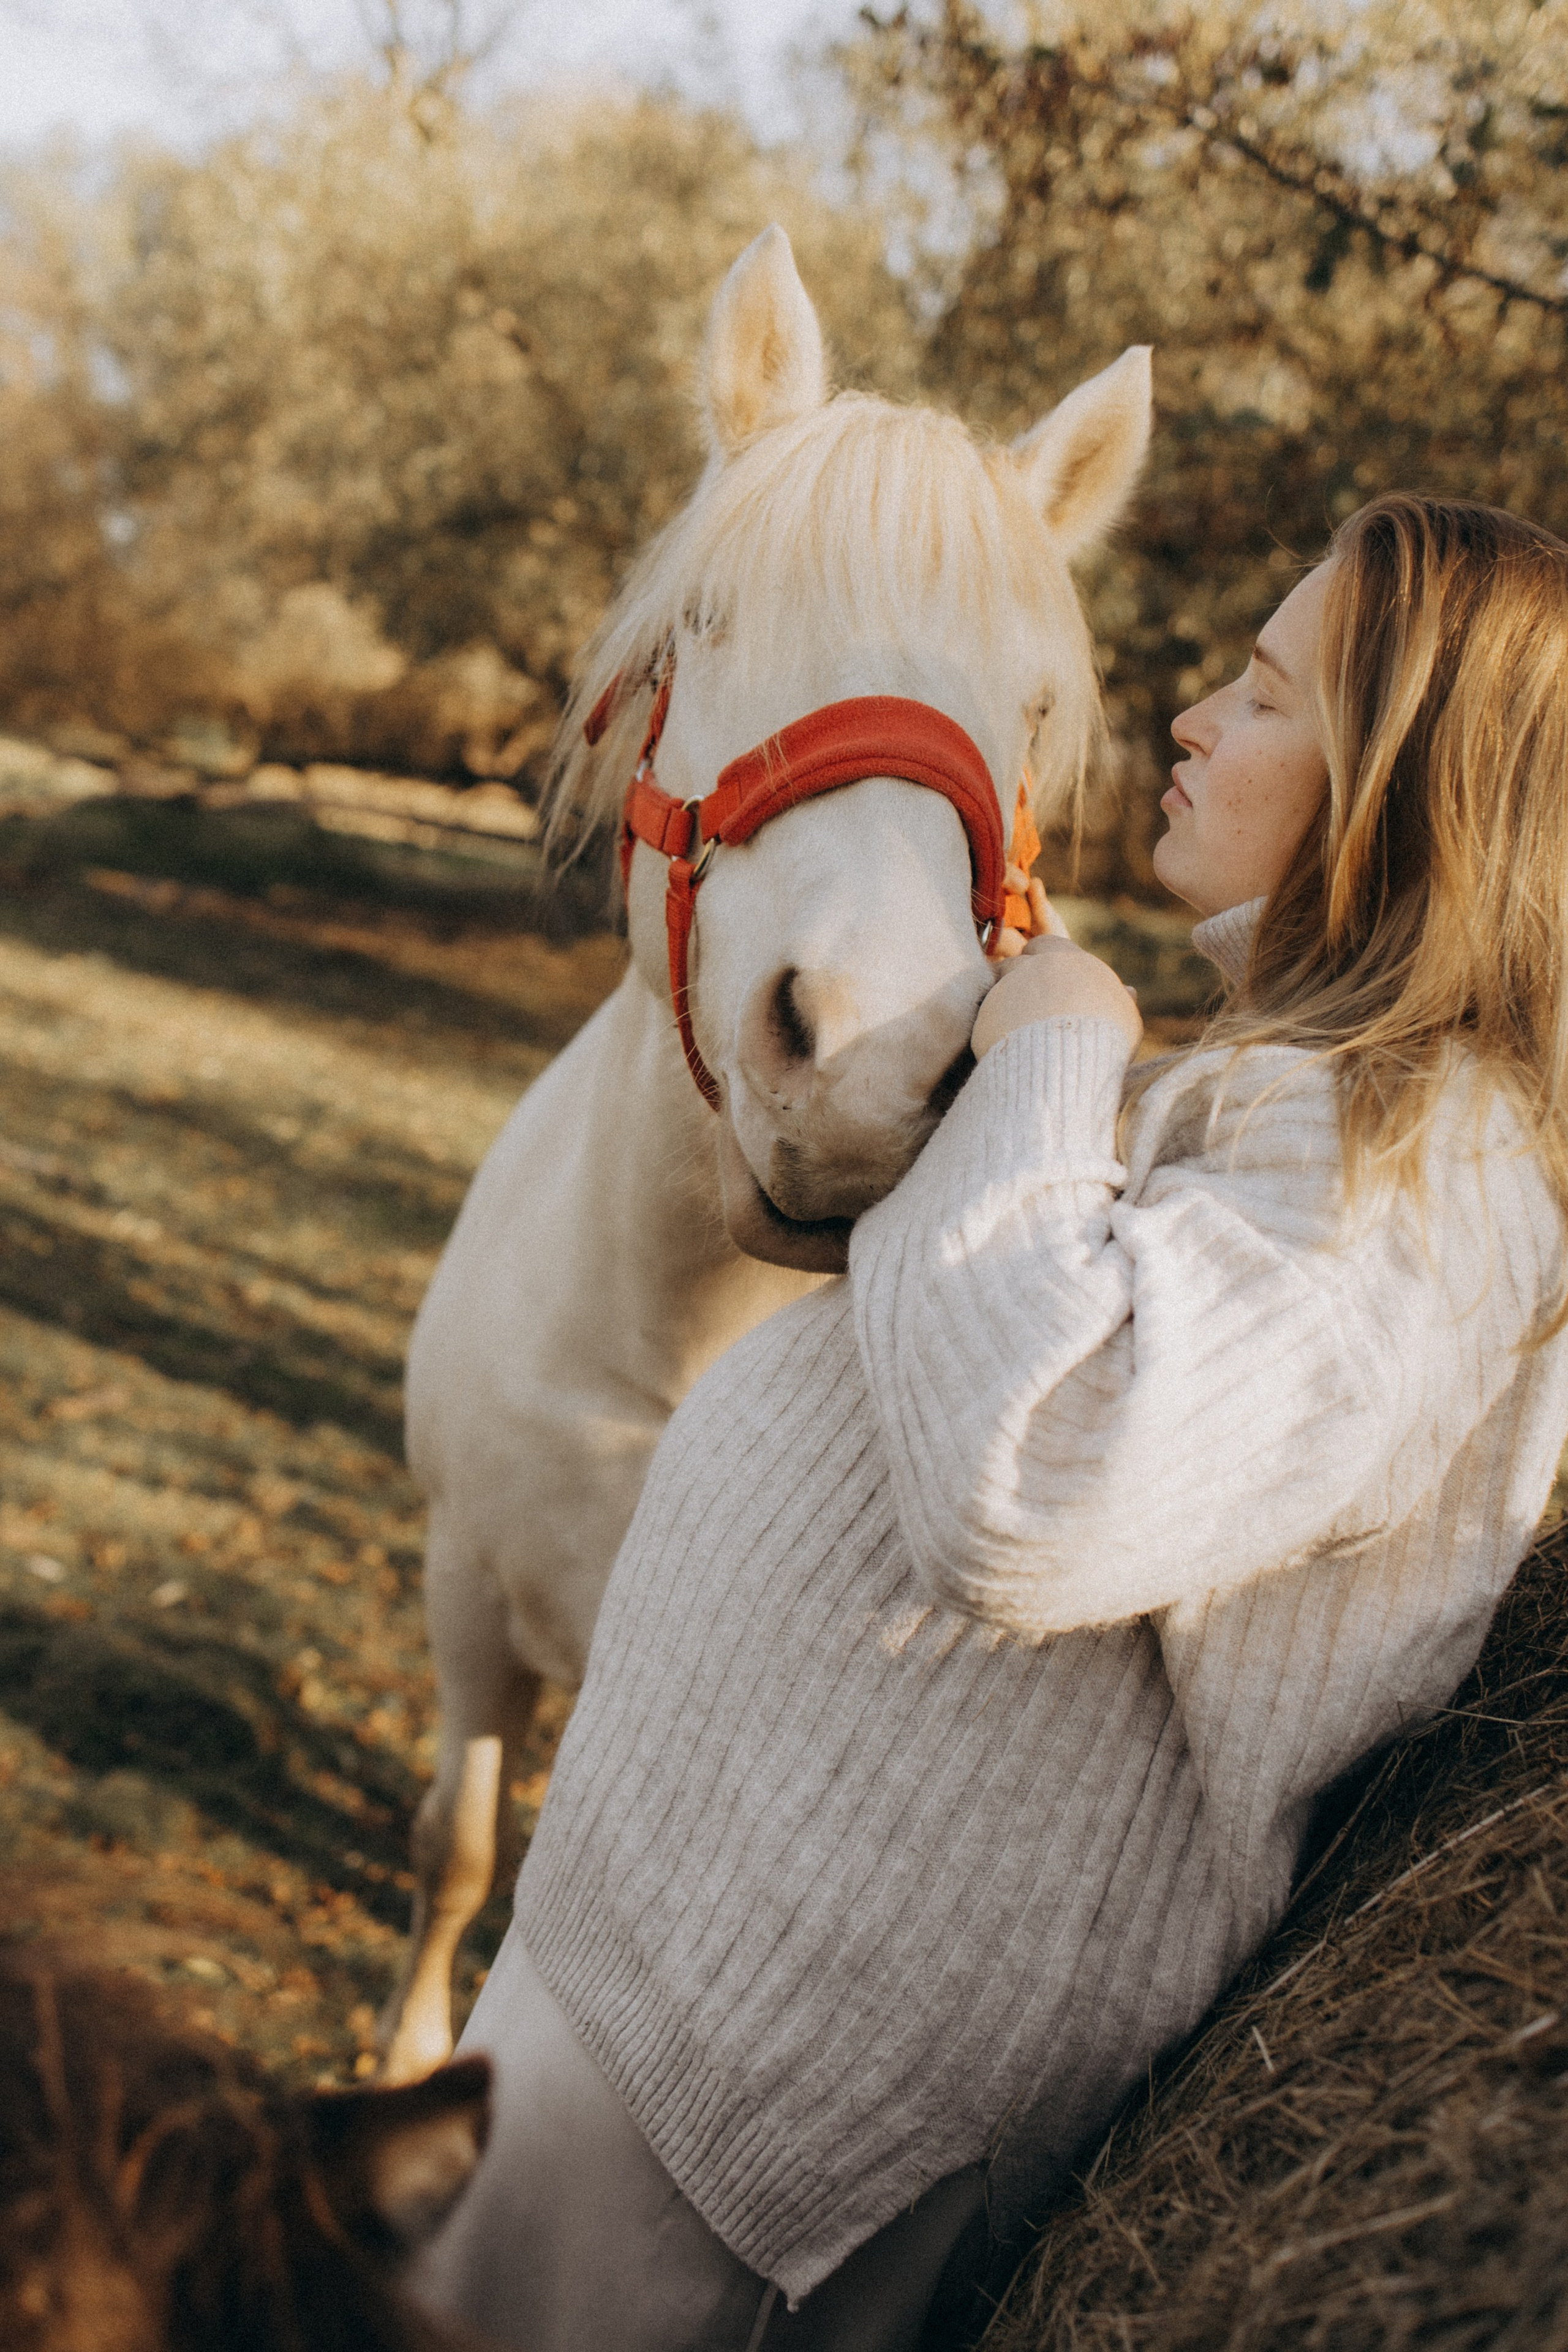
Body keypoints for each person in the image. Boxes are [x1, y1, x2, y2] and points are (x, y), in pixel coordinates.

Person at [416, 494, 1568, 2352]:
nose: (1192, 719)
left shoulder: (1429, 1176)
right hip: (679, 2005)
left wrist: (1052, 1046)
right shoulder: (1316, 1107)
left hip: (769, 2115)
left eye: (1264, 694)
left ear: (1408, 787)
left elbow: (1047, 1480)